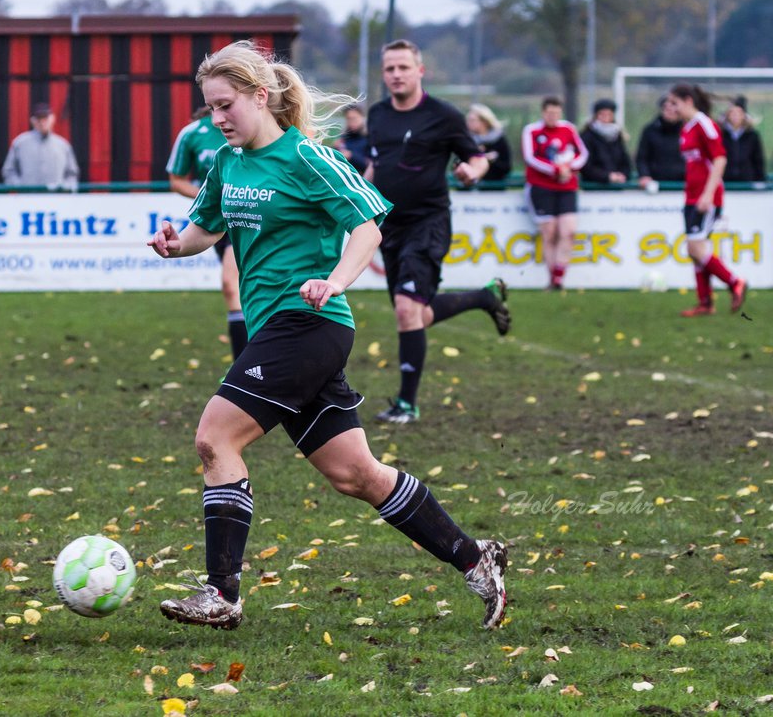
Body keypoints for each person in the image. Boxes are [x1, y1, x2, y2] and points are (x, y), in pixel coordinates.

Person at [148, 40, 508, 632]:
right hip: (279, 330)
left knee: (216, 439)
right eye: (210, 107)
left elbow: (367, 227)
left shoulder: (308, 159)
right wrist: (174, 244)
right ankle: (477, 560)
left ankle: (222, 593)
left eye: (225, 105)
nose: (216, 119)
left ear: (260, 97)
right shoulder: (225, 162)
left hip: (310, 325)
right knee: (356, 475)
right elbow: (203, 230)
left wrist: (334, 280)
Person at [366, 40, 511, 425]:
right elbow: (375, 168)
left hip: (428, 222)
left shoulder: (443, 115)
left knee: (406, 308)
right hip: (389, 225)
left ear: (420, 70)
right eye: (389, 69)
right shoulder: (378, 115)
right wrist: (357, 204)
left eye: (403, 67)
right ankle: (484, 296)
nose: (396, 74)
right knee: (413, 314)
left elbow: (477, 157)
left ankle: (406, 405)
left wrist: (471, 172)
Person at [167, 105, 248, 358]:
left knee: (231, 284)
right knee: (238, 288)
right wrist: (211, 196)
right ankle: (246, 368)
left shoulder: (253, 126)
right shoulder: (192, 134)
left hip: (249, 216)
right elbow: (176, 180)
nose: (220, 117)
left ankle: (245, 368)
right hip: (217, 219)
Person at [666, 83, 748, 317]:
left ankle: (734, 282)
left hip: (706, 198)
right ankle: (705, 303)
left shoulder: (704, 124)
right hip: (692, 197)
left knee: (694, 246)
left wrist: (708, 194)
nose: (671, 108)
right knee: (696, 250)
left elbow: (720, 159)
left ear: (688, 101)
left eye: (675, 103)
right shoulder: (686, 128)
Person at [521, 96, 589, 290]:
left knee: (569, 231)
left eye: (557, 113)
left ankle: (559, 276)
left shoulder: (568, 129)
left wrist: (569, 167)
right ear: (543, 113)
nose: (553, 116)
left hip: (567, 187)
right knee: (549, 233)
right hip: (541, 186)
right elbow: (530, 157)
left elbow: (582, 153)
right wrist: (555, 170)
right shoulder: (532, 131)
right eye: (549, 113)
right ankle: (553, 279)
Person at [1, 103, 80, 190]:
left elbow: (72, 173)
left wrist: (65, 188)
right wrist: (20, 186)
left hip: (56, 200)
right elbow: (8, 171)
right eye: (38, 119)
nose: (42, 122)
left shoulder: (63, 145)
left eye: (45, 118)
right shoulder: (20, 143)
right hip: (27, 199)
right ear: (32, 120)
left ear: (52, 119)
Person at [635, 95, 684, 191]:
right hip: (656, 186)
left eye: (674, 106)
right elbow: (642, 157)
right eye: (666, 107)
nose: (670, 110)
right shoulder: (650, 130)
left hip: (684, 184)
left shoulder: (689, 130)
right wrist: (644, 175)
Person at [579, 98, 631, 185]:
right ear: (596, 115)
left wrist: (622, 175)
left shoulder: (617, 136)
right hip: (594, 187)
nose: (606, 118)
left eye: (609, 114)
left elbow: (625, 162)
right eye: (602, 114)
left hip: (617, 187)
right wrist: (607, 176)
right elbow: (586, 166)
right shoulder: (587, 136)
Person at [721, 96, 766, 183]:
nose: (735, 116)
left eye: (738, 112)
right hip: (727, 183)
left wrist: (760, 180)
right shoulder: (722, 135)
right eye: (732, 112)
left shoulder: (752, 136)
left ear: (743, 115)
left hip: (747, 183)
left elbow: (758, 161)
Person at [466, 103, 512, 182]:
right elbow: (457, 166)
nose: (468, 123)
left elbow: (506, 167)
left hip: (494, 188)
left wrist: (490, 160)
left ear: (485, 121)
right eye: (468, 120)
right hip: (468, 189)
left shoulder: (499, 139)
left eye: (472, 120)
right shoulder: (466, 140)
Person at [333, 104, 370, 174]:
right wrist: (335, 148)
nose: (351, 122)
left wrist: (351, 155)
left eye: (354, 118)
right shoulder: (344, 137)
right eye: (348, 119)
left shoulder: (370, 137)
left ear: (362, 117)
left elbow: (370, 164)